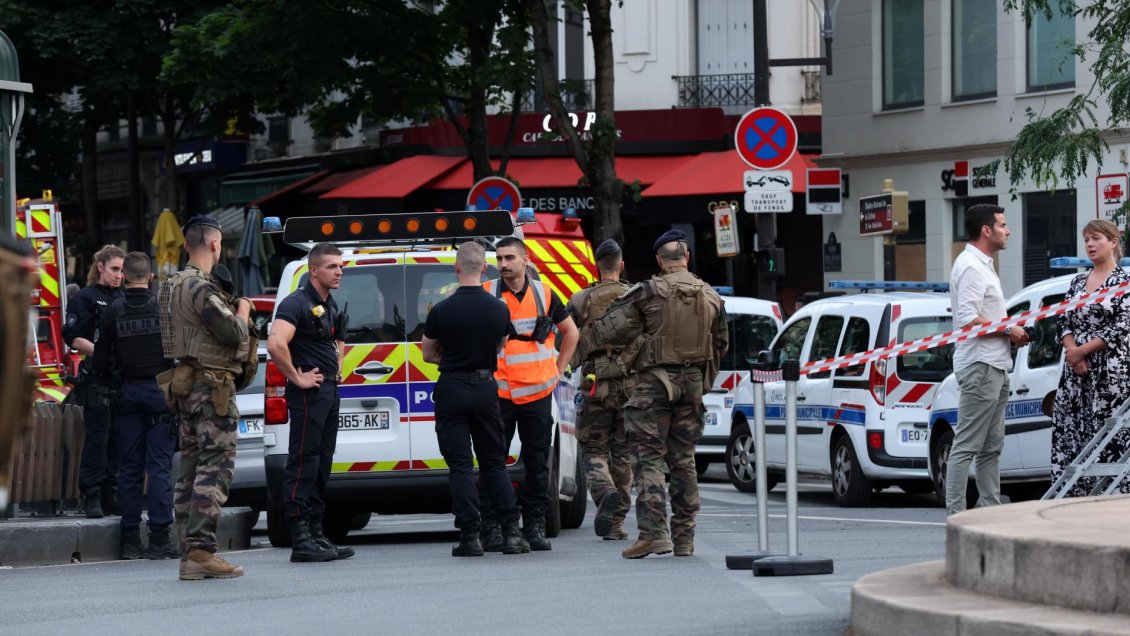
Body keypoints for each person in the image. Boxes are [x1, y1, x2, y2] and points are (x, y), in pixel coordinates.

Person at [594, 229, 727, 559]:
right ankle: (685, 538)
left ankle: (654, 535)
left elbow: (609, 330)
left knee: (648, 458)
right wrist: (701, 380)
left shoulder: (647, 291)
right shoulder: (711, 295)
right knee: (684, 460)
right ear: (687, 258)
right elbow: (721, 344)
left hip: (653, 383)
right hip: (692, 383)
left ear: (658, 260)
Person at [422, 241, 531, 557]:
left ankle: (470, 536)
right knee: (494, 462)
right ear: (485, 268)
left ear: (456, 269)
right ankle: (512, 533)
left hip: (452, 387)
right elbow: (501, 345)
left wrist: (451, 357)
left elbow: (428, 353)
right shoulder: (500, 308)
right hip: (485, 388)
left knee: (459, 466)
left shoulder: (441, 310)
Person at [159, 214, 252, 580]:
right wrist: (243, 310)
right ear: (215, 244)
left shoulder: (170, 285)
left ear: (185, 245)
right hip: (212, 388)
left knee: (190, 468)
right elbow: (232, 333)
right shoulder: (201, 288)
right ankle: (201, 551)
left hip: (185, 385)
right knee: (214, 468)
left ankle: (189, 552)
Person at [479, 236, 579, 552]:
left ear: (525, 260)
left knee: (538, 463)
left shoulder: (545, 294)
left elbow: (571, 333)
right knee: (493, 461)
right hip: (500, 393)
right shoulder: (488, 293)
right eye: (500, 259)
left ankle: (534, 525)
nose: (504, 264)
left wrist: (558, 370)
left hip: (537, 392)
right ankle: (492, 526)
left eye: (510, 258)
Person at [267, 243, 353, 562]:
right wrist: (296, 377)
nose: (339, 271)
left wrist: (338, 368)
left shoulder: (327, 304)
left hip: (328, 392)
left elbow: (335, 340)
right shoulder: (297, 303)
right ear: (314, 270)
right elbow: (276, 343)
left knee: (322, 462)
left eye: (340, 266)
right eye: (332, 266)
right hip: (309, 394)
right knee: (303, 461)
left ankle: (316, 531)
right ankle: (300, 536)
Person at [92, 252, 177, 560]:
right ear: (150, 277)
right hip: (160, 394)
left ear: (125, 277)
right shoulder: (164, 310)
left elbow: (101, 361)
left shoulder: (113, 312)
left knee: (129, 469)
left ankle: (130, 540)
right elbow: (176, 354)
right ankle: (159, 539)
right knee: (159, 468)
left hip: (127, 395)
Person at [946, 204, 1029, 516]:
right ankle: (955, 517)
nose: (1007, 231)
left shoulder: (983, 264)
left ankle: (989, 515)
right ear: (986, 230)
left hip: (995, 364)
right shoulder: (970, 265)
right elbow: (967, 318)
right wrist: (1008, 328)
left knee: (992, 448)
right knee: (967, 445)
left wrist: (1009, 332)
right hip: (981, 366)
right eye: (1003, 225)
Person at [1052, 219, 1130, 496]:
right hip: (1076, 374)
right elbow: (1063, 320)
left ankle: (1112, 496)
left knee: (1109, 436)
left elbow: (1122, 325)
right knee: (1074, 434)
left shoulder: (1124, 283)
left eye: (1096, 238)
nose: (1090, 244)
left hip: (1110, 376)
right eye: (1086, 239)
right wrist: (1073, 352)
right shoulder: (1076, 282)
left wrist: (1084, 351)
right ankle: (1073, 497)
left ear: (1113, 242)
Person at [566, 239, 633, 540]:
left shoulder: (580, 299)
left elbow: (564, 342)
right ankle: (616, 524)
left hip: (595, 385)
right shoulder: (636, 296)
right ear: (621, 265)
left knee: (593, 448)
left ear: (597, 265)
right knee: (622, 453)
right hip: (630, 385)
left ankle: (605, 492)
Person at [63, 244, 124, 518]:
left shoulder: (125, 297)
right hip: (98, 377)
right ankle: (92, 496)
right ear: (100, 267)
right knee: (98, 438)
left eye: (122, 270)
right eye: (114, 269)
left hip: (122, 378)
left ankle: (111, 492)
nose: (119, 275)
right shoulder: (86, 297)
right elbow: (73, 337)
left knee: (117, 439)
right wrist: (103, 353)